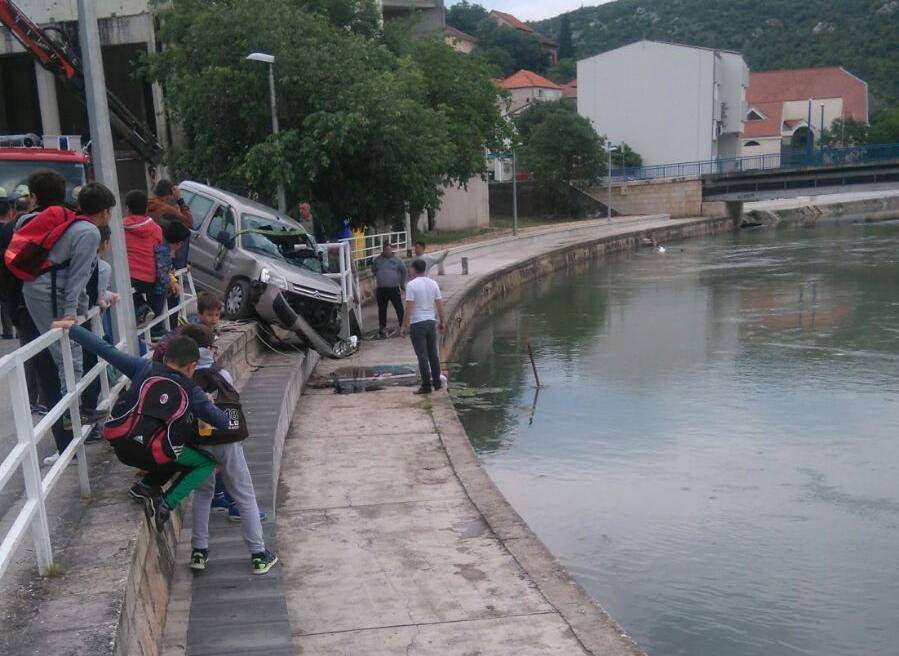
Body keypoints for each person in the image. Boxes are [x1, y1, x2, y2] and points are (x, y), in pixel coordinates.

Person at [52, 319, 230, 530]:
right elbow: (222, 422)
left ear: (165, 356)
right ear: (192, 366)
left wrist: (72, 328)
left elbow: (105, 349)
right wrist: (209, 401)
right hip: (155, 454)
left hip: (122, 447)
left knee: (168, 445)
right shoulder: (193, 391)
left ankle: (146, 486)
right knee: (203, 462)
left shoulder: (143, 368)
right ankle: (167, 503)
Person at [178, 323, 278, 574]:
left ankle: (199, 552)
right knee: (244, 494)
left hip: (198, 444)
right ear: (208, 348)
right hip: (227, 440)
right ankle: (258, 554)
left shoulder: (183, 378)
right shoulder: (220, 373)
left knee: (202, 494)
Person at [2, 170, 81, 463]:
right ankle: (80, 434)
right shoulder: (75, 222)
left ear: (33, 197)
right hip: (69, 309)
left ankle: (66, 445)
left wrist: (12, 314)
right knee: (71, 371)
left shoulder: (19, 226)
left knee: (48, 378)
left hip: (32, 313)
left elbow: (9, 273)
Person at [400, 259, 446, 395]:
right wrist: (442, 321)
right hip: (430, 322)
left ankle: (426, 386)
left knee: (422, 356)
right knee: (433, 355)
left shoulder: (411, 285)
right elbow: (439, 304)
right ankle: (437, 383)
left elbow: (409, 308)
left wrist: (404, 326)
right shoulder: (433, 283)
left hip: (417, 323)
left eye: (410, 268)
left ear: (413, 269)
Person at [123, 189, 164, 325]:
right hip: (152, 280)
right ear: (146, 209)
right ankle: (156, 326)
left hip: (131, 281)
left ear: (127, 208)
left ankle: (142, 309)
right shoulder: (156, 229)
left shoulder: (120, 227)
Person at [148, 179, 193, 270]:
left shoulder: (148, 204)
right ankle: (179, 265)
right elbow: (189, 222)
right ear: (170, 195)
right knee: (185, 233)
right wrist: (179, 200)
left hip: (150, 247)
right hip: (161, 249)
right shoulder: (166, 209)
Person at [371, 243, 407, 338]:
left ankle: (403, 325)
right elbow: (373, 270)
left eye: (389, 250)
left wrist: (402, 283)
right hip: (381, 289)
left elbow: (404, 271)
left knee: (399, 308)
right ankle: (382, 327)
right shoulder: (377, 260)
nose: (387, 251)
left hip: (394, 288)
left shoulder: (397, 260)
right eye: (385, 250)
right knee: (382, 309)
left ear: (392, 250)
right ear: (383, 250)